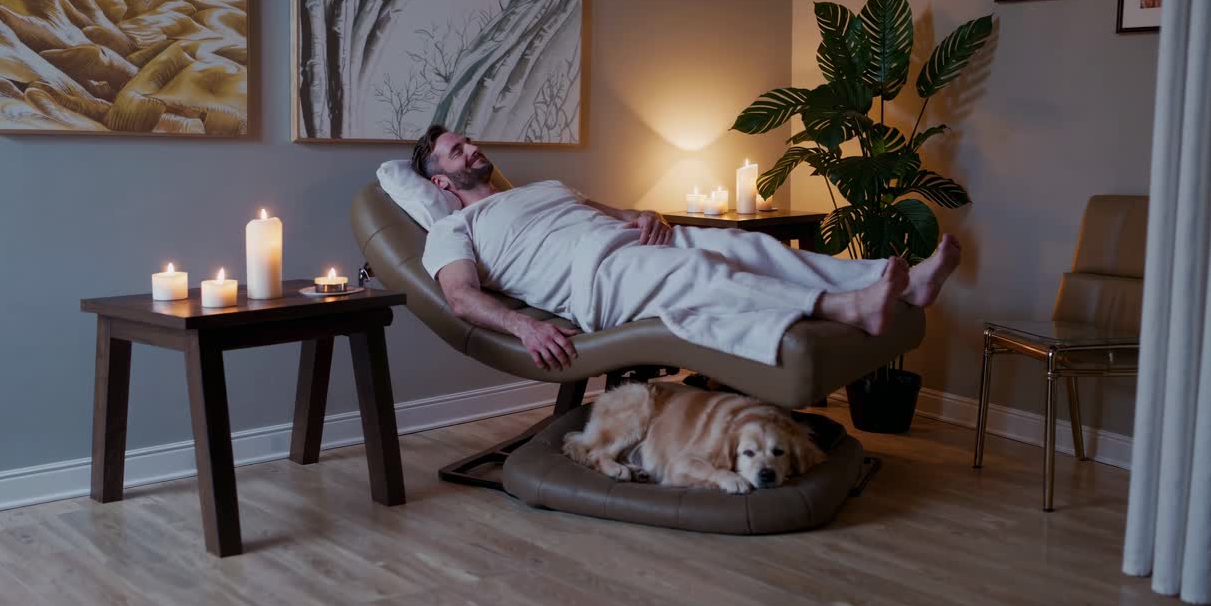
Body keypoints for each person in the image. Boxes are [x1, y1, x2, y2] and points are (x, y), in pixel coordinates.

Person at [411, 125, 960, 371]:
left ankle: (900, 284)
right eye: (458, 151)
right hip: (596, 283)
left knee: (747, 247)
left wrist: (642, 215)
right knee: (700, 271)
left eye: (467, 140)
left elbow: (620, 213)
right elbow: (460, 297)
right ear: (441, 182)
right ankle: (847, 308)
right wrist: (525, 327)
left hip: (630, 244)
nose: (472, 148)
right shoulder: (453, 230)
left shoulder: (541, 190)